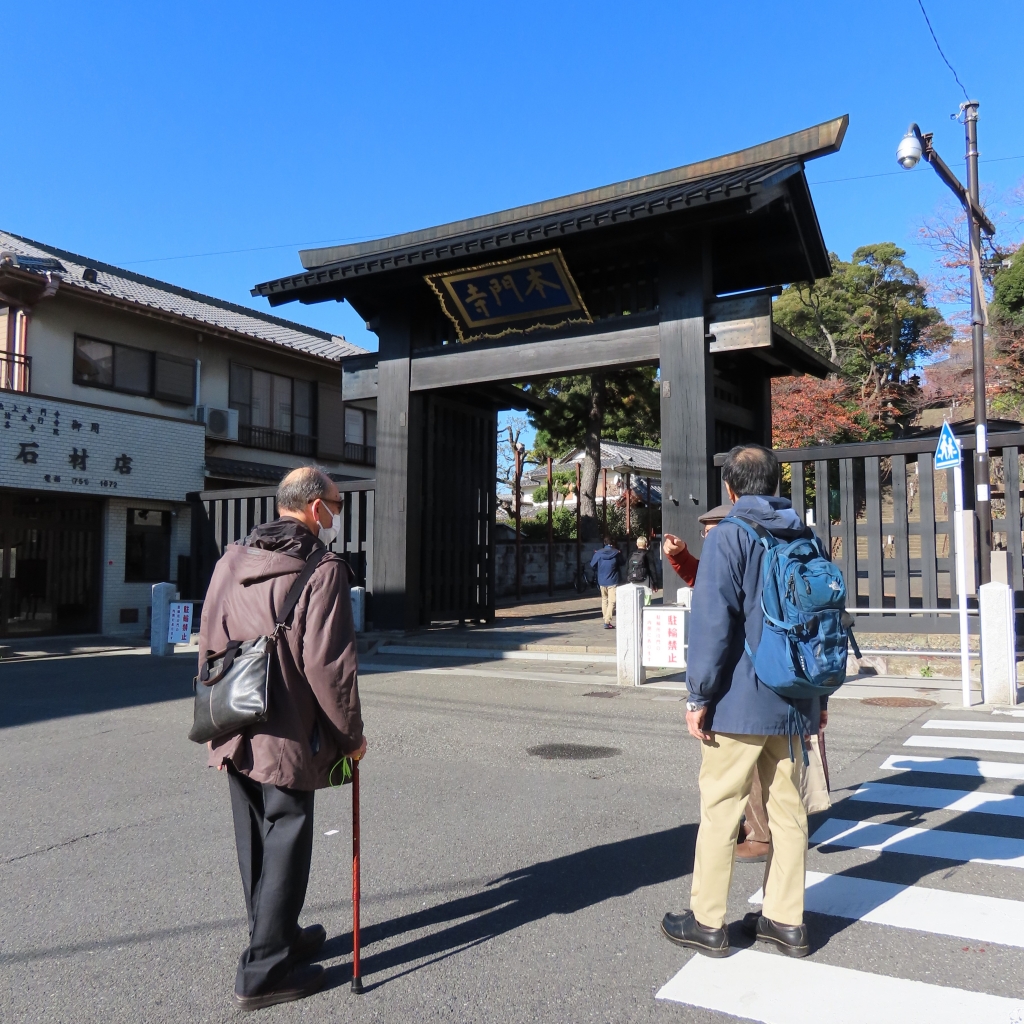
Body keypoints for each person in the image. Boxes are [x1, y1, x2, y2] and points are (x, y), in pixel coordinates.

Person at [200, 466, 367, 1010]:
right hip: (287, 727)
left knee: (254, 836)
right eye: (336, 507)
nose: (337, 517)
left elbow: (209, 632)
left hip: (233, 717)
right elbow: (328, 665)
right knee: (288, 834)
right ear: (316, 508)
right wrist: (351, 735)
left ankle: (274, 935)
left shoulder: (234, 556)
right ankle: (264, 972)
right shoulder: (321, 568)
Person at [661, 444, 822, 960]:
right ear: (776, 483)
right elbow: (818, 621)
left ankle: (707, 922)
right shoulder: (803, 534)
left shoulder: (730, 536)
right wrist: (817, 698)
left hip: (740, 698)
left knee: (721, 808)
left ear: (730, 489)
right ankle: (785, 921)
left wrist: (697, 695)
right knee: (788, 810)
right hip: (794, 695)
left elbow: (711, 624)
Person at [664, 504, 772, 864]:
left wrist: (698, 696)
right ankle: (762, 832)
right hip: (770, 673)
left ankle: (759, 835)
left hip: (744, 675)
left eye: (712, 531)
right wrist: (681, 557)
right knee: (762, 767)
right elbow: (701, 576)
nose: (708, 538)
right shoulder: (766, 544)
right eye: (706, 532)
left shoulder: (739, 550)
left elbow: (714, 628)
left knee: (745, 764)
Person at [590, 534, 625, 629]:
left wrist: (600, 568)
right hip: (613, 580)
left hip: (601, 580)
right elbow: (623, 562)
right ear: (613, 543)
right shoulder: (616, 553)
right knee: (612, 601)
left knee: (604, 600)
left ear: (604, 543)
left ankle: (605, 619)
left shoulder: (598, 553)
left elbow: (592, 565)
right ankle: (607, 621)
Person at [625, 535, 658, 599]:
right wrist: (655, 583)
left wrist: (627, 580)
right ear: (646, 544)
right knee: (646, 600)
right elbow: (652, 569)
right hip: (645, 580)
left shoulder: (632, 554)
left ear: (637, 544)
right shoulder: (648, 554)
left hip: (633, 580)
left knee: (635, 600)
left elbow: (627, 567)